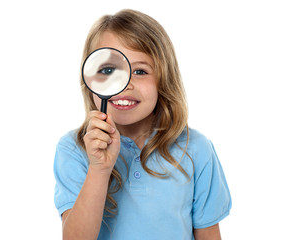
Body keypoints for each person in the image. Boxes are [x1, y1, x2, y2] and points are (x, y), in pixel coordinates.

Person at [53, 9, 232, 240]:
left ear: (163, 79)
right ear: (90, 81)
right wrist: (99, 169)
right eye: (108, 70)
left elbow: (208, 234)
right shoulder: (74, 148)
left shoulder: (196, 149)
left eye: (140, 71)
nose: (124, 84)